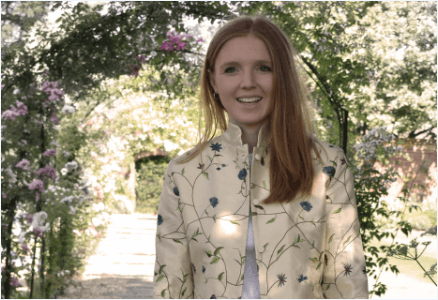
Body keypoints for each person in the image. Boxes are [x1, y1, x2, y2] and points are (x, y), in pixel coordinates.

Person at [153, 15, 369, 299]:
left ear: (283, 77)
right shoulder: (184, 172)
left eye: (264, 68)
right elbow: (171, 285)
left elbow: (346, 280)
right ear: (213, 80)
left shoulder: (326, 165)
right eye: (231, 69)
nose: (248, 83)